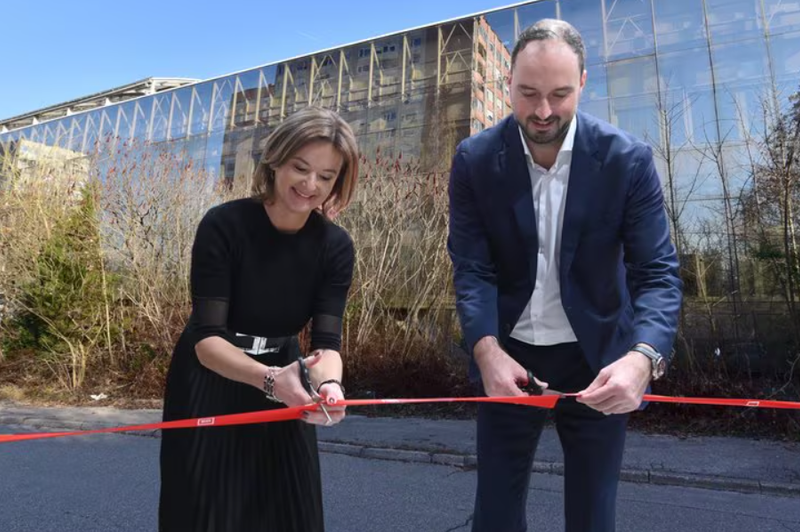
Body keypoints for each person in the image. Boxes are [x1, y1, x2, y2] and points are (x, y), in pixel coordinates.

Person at [447, 19, 683, 532]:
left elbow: (657, 274)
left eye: (559, 94)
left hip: (600, 356)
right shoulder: (474, 161)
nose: (542, 112)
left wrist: (643, 360)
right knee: (495, 515)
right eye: (527, 93)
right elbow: (473, 267)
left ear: (582, 84)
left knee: (594, 516)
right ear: (506, 83)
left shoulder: (628, 161)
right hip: (505, 355)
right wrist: (484, 349)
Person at [159, 105, 360, 532]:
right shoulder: (223, 225)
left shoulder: (335, 247)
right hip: (210, 372)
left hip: (286, 370)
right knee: (205, 513)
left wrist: (329, 385)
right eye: (300, 168)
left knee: (291, 509)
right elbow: (206, 337)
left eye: (326, 177)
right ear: (275, 160)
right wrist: (270, 380)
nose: (310, 185)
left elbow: (326, 344)